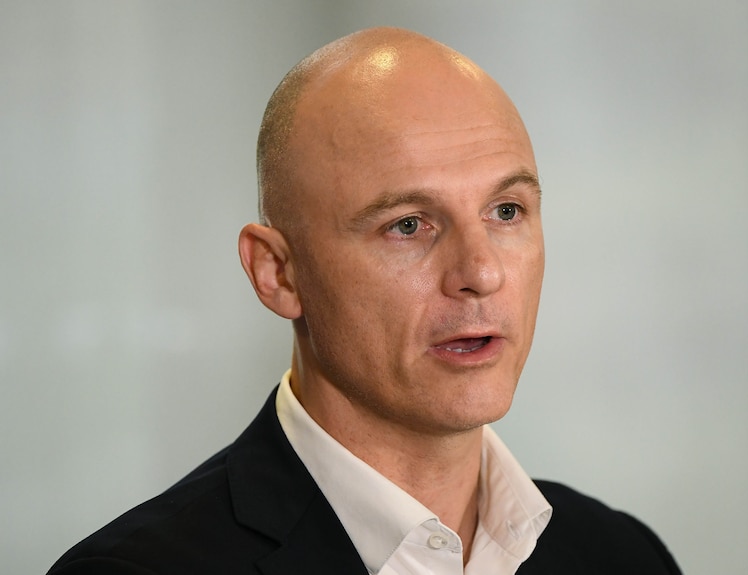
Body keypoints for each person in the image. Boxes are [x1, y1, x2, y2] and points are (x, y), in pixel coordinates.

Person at [48, 27, 682, 574]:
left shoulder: (622, 555)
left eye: (506, 210)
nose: (481, 273)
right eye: (408, 224)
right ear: (278, 273)